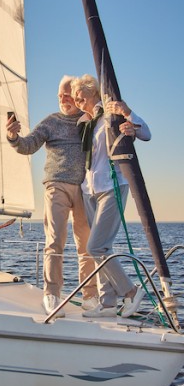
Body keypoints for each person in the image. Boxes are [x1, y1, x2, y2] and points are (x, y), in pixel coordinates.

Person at [6, 75, 98, 317]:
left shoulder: (88, 120)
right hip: (56, 185)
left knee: (86, 245)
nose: (63, 99)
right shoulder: (51, 122)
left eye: (67, 95)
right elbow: (28, 145)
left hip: (83, 187)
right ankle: (52, 295)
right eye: (59, 96)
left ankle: (90, 297)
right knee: (55, 240)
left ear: (77, 96)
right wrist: (13, 137)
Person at [70, 74, 151, 318]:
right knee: (101, 248)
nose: (76, 100)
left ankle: (130, 291)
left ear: (92, 91)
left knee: (96, 246)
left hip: (112, 185)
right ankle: (107, 304)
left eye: (79, 95)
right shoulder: (84, 122)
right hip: (90, 190)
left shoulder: (111, 115)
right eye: (74, 97)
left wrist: (130, 121)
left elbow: (145, 133)